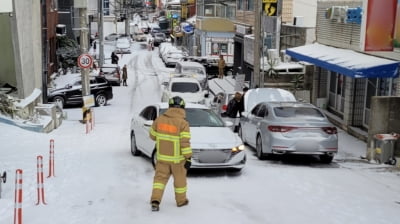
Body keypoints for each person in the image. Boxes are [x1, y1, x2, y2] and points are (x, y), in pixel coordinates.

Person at [149, 96, 192, 212]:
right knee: (180, 182)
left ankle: (155, 201)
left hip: (162, 159)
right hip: (178, 161)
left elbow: (152, 136)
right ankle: (181, 201)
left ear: (169, 106)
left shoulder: (159, 119)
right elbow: (185, 143)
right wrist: (188, 158)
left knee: (159, 181)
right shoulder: (183, 123)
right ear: (183, 107)